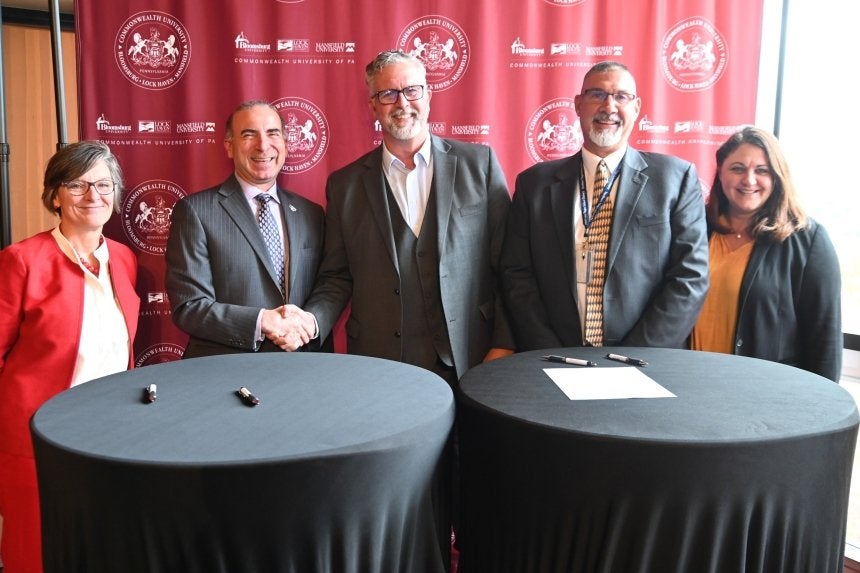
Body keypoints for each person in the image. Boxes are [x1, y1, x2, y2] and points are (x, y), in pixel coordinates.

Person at [284, 50, 515, 382]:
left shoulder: (479, 165)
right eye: (388, 93)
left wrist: (504, 342)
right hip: (382, 363)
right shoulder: (345, 185)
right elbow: (337, 276)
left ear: (428, 95)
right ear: (373, 106)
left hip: (472, 355)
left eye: (412, 90)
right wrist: (310, 322)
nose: (403, 103)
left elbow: (507, 263)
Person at [500, 60, 709, 350]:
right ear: (577, 104)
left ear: (636, 107)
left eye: (621, 96)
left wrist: (632, 356)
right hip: (553, 358)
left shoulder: (676, 178)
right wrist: (547, 348)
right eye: (597, 94)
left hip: (647, 361)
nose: (609, 106)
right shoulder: (534, 184)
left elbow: (690, 277)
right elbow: (517, 275)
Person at [0, 141, 140, 573]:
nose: (92, 195)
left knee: (104, 543)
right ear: (55, 195)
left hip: (110, 433)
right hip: (37, 436)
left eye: (102, 184)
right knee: (36, 551)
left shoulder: (123, 258)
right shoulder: (22, 261)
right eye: (76, 184)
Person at [165, 100, 326, 357]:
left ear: (285, 143)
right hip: (227, 369)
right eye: (249, 134)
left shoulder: (311, 213)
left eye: (273, 133)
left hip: (302, 365)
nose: (263, 145)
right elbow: (189, 306)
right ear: (229, 146)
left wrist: (309, 323)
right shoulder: (196, 211)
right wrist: (262, 322)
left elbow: (330, 283)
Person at [691, 126, 842, 381]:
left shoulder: (808, 241)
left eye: (762, 170)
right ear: (721, 174)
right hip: (689, 383)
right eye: (737, 168)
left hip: (765, 393)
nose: (749, 180)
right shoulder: (694, 228)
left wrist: (820, 409)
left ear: (777, 177)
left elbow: (824, 341)